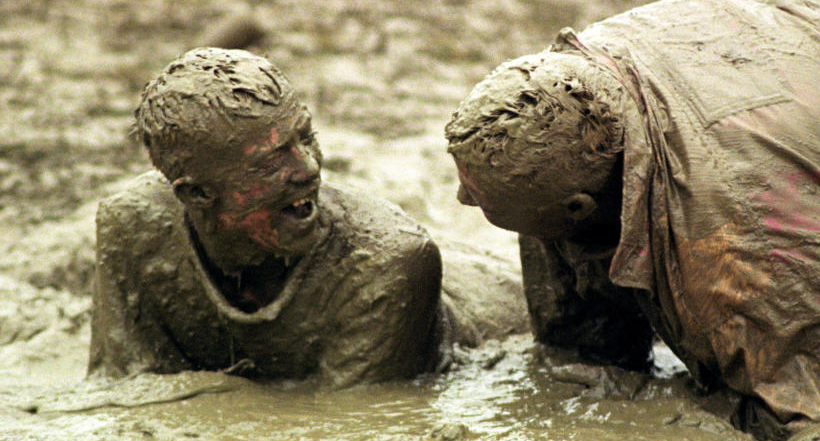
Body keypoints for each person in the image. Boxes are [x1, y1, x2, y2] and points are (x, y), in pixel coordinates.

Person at [445, 0, 820, 441]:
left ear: (580, 207)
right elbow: (580, 348)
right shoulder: (564, 96)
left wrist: (663, 424)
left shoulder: (746, 232)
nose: (461, 198)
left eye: (478, 196)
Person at [88, 48, 526, 385]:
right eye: (270, 161)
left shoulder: (387, 265)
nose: (310, 168)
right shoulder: (132, 227)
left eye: (307, 137)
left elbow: (346, 433)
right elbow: (126, 396)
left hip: (500, 313)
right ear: (198, 193)